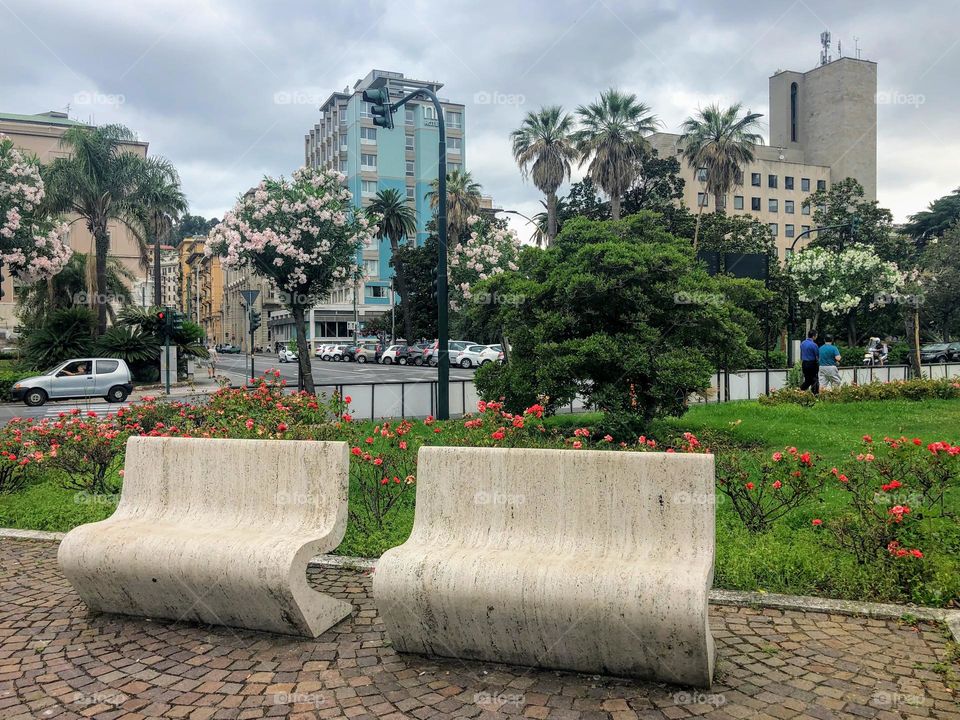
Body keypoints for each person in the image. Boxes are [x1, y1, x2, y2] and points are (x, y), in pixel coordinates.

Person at [799, 330, 819, 394]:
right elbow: (817, 355)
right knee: (814, 379)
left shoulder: (802, 343)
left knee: (807, 380)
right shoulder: (814, 345)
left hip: (804, 363)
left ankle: (800, 390)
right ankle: (815, 394)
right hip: (812, 363)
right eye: (816, 335)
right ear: (813, 336)